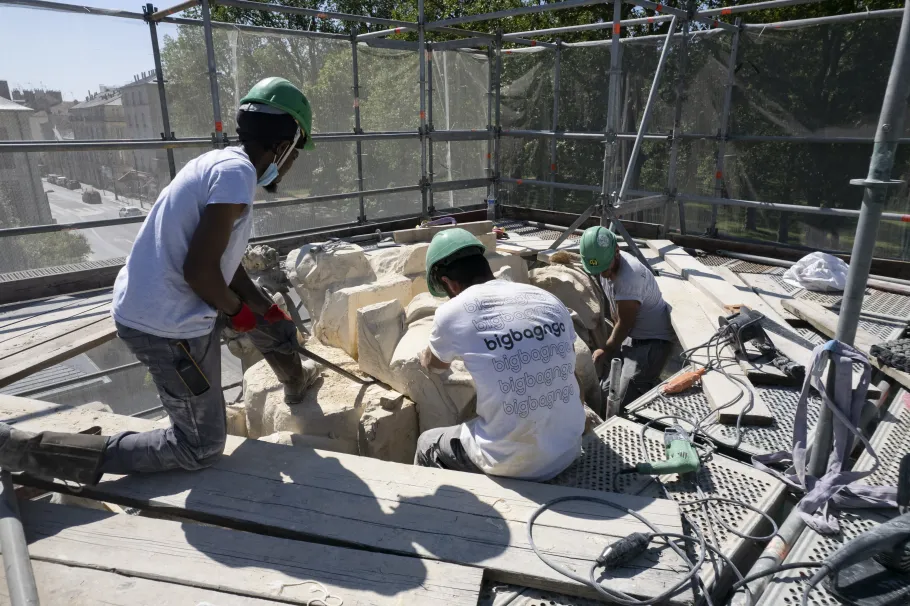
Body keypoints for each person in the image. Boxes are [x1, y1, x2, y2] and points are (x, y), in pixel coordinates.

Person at [0, 77, 316, 484]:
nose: (290, 167)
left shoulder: (221, 164)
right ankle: (33, 451)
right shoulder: (236, 176)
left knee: (266, 325)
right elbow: (200, 272)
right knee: (199, 446)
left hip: (166, 306)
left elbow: (222, 262)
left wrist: (263, 309)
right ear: (283, 145)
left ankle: (294, 385)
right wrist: (238, 312)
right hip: (166, 326)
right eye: (294, 155)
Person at [414, 228, 586, 481]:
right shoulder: (548, 299)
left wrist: (425, 356)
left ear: (448, 283)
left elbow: (436, 366)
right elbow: (568, 366)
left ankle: (445, 504)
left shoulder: (453, 311)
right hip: (568, 448)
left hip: (514, 462)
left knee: (427, 442)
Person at [579, 225, 674, 408]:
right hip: (631, 337)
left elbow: (625, 323)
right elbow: (617, 313)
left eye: (605, 268)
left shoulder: (629, 278)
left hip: (652, 342)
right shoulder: (604, 263)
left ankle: (647, 385)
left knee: (624, 401)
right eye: (598, 269)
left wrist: (606, 349)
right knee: (606, 391)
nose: (603, 274)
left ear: (617, 252)